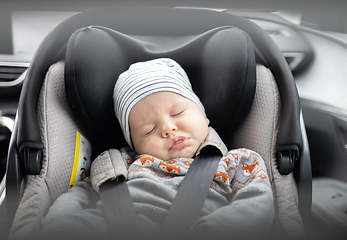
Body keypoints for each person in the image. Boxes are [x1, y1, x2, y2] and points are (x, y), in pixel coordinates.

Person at [37, 58, 274, 240]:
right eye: (149, 130)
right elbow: (82, 193)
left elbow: (256, 202)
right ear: (135, 144)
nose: (168, 129)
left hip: (201, 224)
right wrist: (60, 221)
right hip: (112, 223)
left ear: (204, 116)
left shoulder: (238, 161)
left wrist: (218, 228)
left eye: (178, 113)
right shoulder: (120, 163)